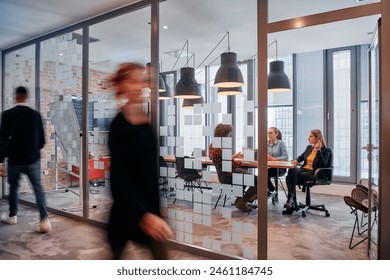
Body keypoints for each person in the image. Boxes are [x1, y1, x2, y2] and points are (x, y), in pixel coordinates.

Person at [108, 62, 173, 259]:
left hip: (150, 213)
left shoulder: (146, 124)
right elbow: (119, 179)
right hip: (128, 213)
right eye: (133, 82)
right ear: (122, 87)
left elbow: (149, 172)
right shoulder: (119, 126)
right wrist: (144, 215)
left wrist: (157, 208)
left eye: (141, 82)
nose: (139, 87)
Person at [0, 86, 51, 233]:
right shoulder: (36, 115)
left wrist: (0, 161)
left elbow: (2, 141)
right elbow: (42, 141)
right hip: (32, 160)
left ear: (16, 97)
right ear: (26, 97)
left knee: (14, 188)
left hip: (15, 160)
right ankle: (44, 220)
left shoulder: (7, 115)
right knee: (38, 189)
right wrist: (33, 150)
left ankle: (13, 216)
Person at [209, 123, 257, 213]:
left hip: (223, 176)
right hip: (229, 176)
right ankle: (242, 201)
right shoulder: (221, 148)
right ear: (225, 134)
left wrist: (235, 156)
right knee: (258, 180)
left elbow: (222, 160)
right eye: (229, 134)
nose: (230, 135)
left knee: (245, 177)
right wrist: (242, 160)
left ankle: (240, 200)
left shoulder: (213, 145)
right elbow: (233, 164)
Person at [283, 129, 331, 215]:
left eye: (311, 136)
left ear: (317, 138)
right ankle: (291, 202)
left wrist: (318, 151)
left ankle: (292, 203)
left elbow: (323, 164)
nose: (308, 138)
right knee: (291, 172)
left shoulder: (326, 150)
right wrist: (296, 160)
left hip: (314, 173)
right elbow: (301, 157)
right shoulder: (309, 147)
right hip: (304, 170)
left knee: (289, 177)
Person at [267, 127, 288, 196]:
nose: (269, 135)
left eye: (271, 133)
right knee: (262, 173)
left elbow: (286, 157)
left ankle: (271, 190)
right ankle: (271, 189)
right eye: (268, 133)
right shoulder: (266, 143)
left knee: (264, 173)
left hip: (279, 169)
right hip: (269, 167)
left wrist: (275, 158)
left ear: (276, 134)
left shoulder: (281, 143)